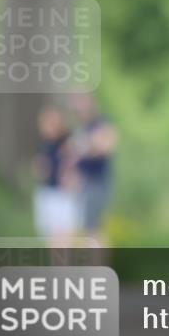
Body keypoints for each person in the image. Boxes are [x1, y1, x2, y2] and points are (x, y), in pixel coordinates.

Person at [69, 93, 119, 247]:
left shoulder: (100, 123)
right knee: (87, 227)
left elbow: (108, 145)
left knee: (94, 228)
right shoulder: (81, 127)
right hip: (84, 183)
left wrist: (89, 146)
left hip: (97, 181)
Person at [32, 105, 80, 247]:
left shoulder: (67, 141)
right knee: (50, 236)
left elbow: (74, 163)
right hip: (47, 191)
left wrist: (70, 174)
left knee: (63, 235)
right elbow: (39, 168)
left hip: (62, 194)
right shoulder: (44, 144)